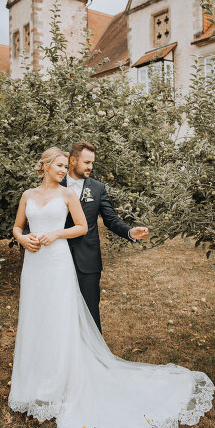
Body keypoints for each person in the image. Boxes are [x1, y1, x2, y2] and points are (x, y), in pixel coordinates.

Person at [9, 147, 214, 428]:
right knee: (37, 316)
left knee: (77, 315)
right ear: (53, 164)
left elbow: (101, 221)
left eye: (69, 166)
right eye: (65, 164)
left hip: (70, 259)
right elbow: (18, 226)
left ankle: (73, 372)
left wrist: (127, 232)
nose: (68, 170)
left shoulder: (85, 191)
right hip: (38, 263)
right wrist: (23, 237)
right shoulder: (34, 193)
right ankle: (35, 378)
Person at [60, 141, 149, 332]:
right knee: (59, 309)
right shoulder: (54, 184)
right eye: (86, 162)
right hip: (58, 256)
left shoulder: (98, 188)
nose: (90, 167)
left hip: (88, 259)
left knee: (90, 312)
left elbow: (111, 219)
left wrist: (129, 232)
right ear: (73, 160)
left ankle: (93, 357)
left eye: (92, 163)